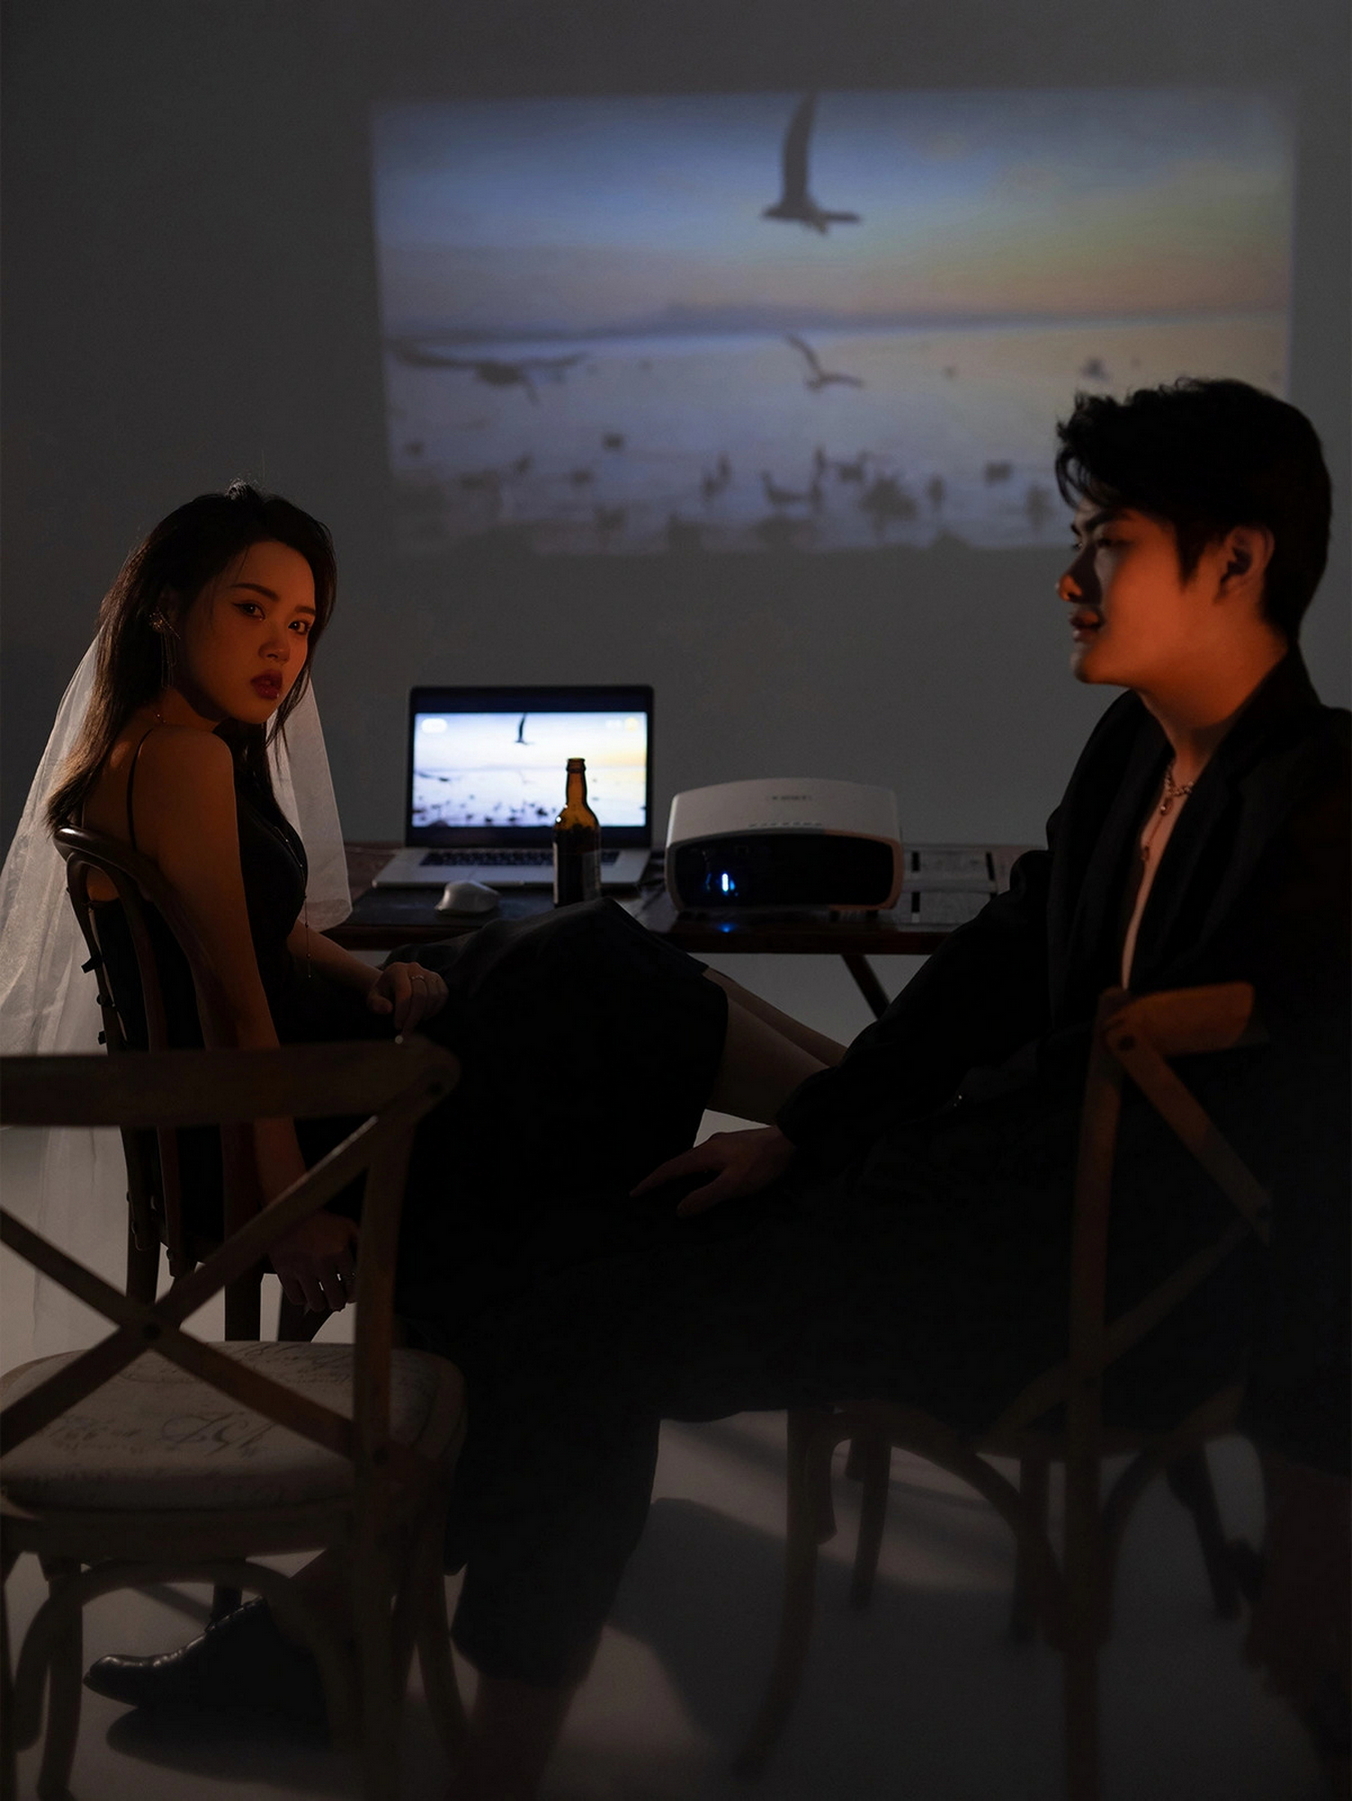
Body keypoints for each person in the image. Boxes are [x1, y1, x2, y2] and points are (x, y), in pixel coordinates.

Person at [66, 375, 1350, 1800]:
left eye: (1108, 543)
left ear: (1236, 560)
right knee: (559, 1231)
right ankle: (349, 1653)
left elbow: (1325, 1166)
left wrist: (1316, 1503)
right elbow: (1004, 956)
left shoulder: (1322, 804)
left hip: (1071, 1278)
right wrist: (808, 1135)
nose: (1070, 577)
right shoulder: (1133, 751)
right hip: (950, 1203)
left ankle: (421, 1716)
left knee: (570, 1278)